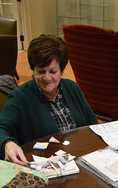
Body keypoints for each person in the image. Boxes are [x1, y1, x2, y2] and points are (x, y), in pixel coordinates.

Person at [0, 34, 99, 165]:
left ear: (62, 70)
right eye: (41, 71)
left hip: (81, 160)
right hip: (46, 167)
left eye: (53, 72)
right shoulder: (20, 97)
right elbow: (2, 129)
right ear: (33, 70)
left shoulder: (72, 88)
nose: (47, 78)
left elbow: (91, 121)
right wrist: (7, 144)